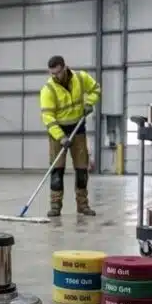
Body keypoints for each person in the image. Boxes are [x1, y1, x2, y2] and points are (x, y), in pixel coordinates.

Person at [39, 55, 100, 217]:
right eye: (52, 74)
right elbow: (48, 118)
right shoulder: (48, 89)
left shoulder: (81, 78)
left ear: (65, 67)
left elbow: (95, 89)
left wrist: (89, 103)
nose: (55, 77)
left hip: (78, 128)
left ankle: (83, 205)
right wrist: (61, 137)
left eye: (58, 73)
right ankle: (55, 206)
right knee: (57, 171)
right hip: (57, 132)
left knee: (82, 170)